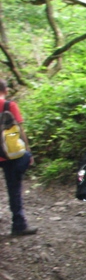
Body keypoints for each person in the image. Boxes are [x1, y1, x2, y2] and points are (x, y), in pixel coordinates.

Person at [0, 79, 37, 236]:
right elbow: (20, 130)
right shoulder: (10, 106)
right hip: (10, 154)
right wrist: (29, 152)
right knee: (14, 189)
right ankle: (19, 225)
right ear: (6, 90)